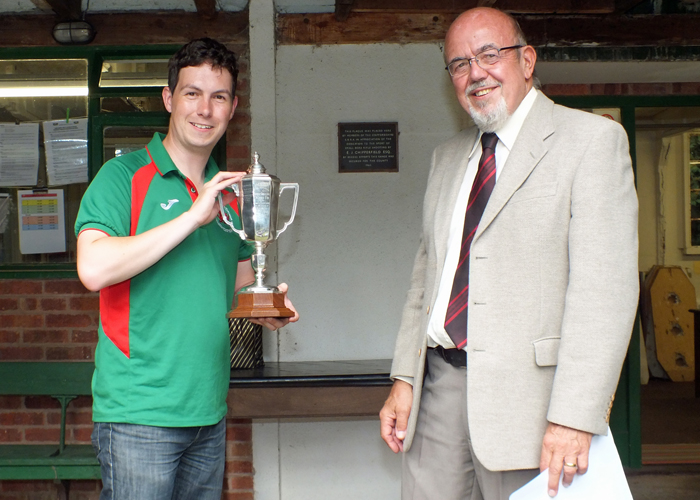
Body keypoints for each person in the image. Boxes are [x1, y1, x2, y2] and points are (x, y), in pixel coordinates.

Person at [379, 7, 638, 500]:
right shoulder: (447, 158)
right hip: (438, 395)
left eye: (489, 54)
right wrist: (404, 379)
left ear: (527, 60)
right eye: (459, 64)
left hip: (536, 408)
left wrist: (574, 416)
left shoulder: (592, 142)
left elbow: (604, 295)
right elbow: (425, 280)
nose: (475, 72)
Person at [75, 38, 298, 500]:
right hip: (139, 415)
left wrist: (266, 302)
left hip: (208, 412)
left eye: (218, 96)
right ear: (168, 98)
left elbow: (236, 292)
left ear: (233, 107)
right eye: (192, 93)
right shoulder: (123, 178)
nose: (205, 108)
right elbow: (93, 268)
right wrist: (193, 215)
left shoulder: (230, 197)